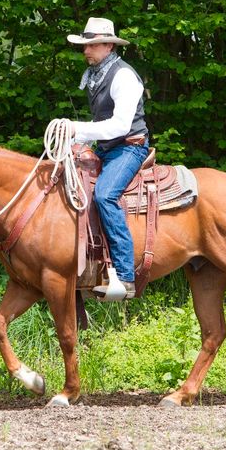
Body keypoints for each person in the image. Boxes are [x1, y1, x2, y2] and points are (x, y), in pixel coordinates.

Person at [66, 17, 149, 300]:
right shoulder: (98, 74)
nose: (86, 51)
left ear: (108, 45)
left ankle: (125, 277)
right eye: (85, 45)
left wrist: (78, 129)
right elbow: (101, 120)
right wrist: (75, 140)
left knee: (104, 195)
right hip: (107, 147)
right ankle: (90, 268)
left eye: (91, 45)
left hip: (129, 147)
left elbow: (121, 125)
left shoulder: (123, 76)